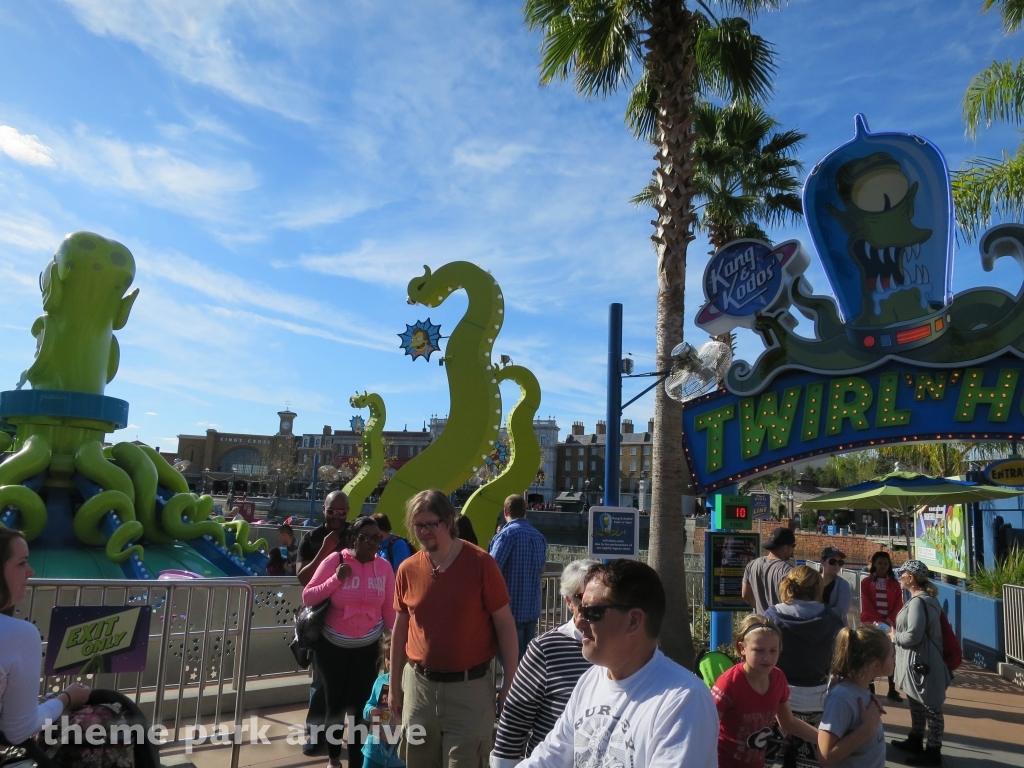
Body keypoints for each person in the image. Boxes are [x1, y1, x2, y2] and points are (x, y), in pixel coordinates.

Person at [518, 560, 718, 767]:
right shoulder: (590, 680)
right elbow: (550, 756)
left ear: (633, 621)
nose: (579, 621)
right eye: (580, 608)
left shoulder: (684, 700)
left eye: (592, 612)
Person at [389, 489, 519, 767]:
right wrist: (394, 687)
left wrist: (510, 682)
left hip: (469, 691)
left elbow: (506, 626)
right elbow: (401, 628)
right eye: (417, 525)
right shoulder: (407, 569)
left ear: (448, 522)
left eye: (430, 524)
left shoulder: (482, 564)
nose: (423, 532)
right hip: (419, 689)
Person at [302, 515, 396, 768]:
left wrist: (395, 644)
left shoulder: (384, 567)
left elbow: (389, 609)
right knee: (336, 706)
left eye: (378, 537)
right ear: (354, 539)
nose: (373, 543)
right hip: (332, 648)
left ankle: (356, 761)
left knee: (360, 708)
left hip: (367, 648)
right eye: (366, 537)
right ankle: (334, 758)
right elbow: (308, 596)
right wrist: (336, 579)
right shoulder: (336, 560)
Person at [490, 558, 599, 766]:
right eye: (583, 599)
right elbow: (514, 724)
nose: (593, 607)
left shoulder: (621, 650)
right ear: (569, 602)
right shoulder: (546, 650)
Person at [1, 528, 91, 745]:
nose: (30, 571)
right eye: (22, 563)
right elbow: (19, 729)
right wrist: (65, 698)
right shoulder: (19, 634)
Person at [712, 615, 820, 768]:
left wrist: (826, 740)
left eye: (773, 651)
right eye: (759, 650)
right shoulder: (729, 683)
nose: (767, 658)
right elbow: (704, 729)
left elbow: (788, 723)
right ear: (742, 648)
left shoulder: (778, 678)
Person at [765, 565, 845, 768]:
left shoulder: (772, 617)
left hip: (778, 700)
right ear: (817, 587)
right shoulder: (832, 618)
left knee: (763, 759)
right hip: (817, 700)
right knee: (808, 762)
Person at [296, 490, 352, 757]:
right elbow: (302, 578)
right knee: (321, 681)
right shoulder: (312, 538)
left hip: (355, 619)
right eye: (332, 511)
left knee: (356, 683)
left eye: (342, 512)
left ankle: (354, 737)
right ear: (324, 509)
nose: (337, 517)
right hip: (322, 619)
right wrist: (325, 551)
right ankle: (316, 734)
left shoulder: (357, 534)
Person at [890, 560, 951, 766]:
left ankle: (933, 751)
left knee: (930, 706)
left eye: (902, 573)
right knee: (917, 703)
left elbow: (913, 636)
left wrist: (894, 637)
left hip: (922, 662)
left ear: (912, 577)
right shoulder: (925, 599)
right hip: (920, 661)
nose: (899, 576)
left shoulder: (918, 602)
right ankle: (916, 739)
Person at [817, 626, 893, 768]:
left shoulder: (861, 690)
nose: (895, 659)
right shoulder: (841, 698)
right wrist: (867, 729)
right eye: (892, 656)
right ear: (876, 664)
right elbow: (825, 756)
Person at [488, 494, 548, 660]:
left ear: (505, 511)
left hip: (510, 610)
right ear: (525, 511)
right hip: (532, 608)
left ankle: (509, 686)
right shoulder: (538, 536)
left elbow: (491, 569)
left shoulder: (506, 536)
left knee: (509, 662)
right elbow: (543, 568)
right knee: (526, 664)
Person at [859, 552, 903, 701]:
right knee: (871, 657)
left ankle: (892, 689)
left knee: (890, 656)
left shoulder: (895, 584)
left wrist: (889, 623)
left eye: (885, 563)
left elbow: (898, 606)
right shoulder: (866, 583)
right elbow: (867, 605)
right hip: (871, 626)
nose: (883, 566)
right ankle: (871, 690)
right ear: (874, 564)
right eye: (880, 563)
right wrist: (877, 623)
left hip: (889, 626)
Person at [362, 633, 405, 768]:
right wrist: (370, 712)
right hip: (374, 749)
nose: (391, 662)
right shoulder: (380, 681)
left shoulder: (411, 686)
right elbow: (368, 705)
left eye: (397, 658)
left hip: (399, 755)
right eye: (388, 657)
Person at [743, 527, 795, 614]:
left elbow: (745, 594)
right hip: (779, 625)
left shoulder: (751, 565)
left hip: (761, 623)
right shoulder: (788, 571)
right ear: (785, 548)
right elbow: (794, 602)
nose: (793, 549)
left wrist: (764, 611)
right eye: (793, 546)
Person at [820, 547, 852, 625]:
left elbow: (841, 612)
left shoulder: (843, 585)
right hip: (813, 628)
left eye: (840, 562)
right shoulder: (812, 581)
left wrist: (816, 611)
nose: (837, 565)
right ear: (822, 562)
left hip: (835, 630)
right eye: (832, 561)